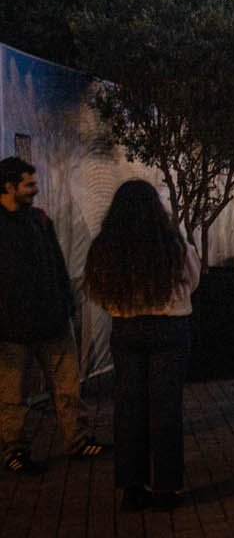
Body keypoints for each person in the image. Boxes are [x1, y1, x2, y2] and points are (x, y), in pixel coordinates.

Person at [85, 180, 200, 511]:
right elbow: (193, 280)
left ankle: (131, 488)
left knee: (129, 409)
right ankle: (166, 487)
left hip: (127, 329)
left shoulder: (106, 247)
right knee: (166, 410)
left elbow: (99, 289)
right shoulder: (173, 245)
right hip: (169, 330)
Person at [0, 157, 110, 474]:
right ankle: (15, 450)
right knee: (12, 396)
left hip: (52, 321)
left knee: (67, 388)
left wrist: (65, 304)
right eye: (28, 184)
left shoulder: (39, 220)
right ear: (9, 187)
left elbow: (56, 265)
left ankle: (77, 439)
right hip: (12, 329)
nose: (35, 190)